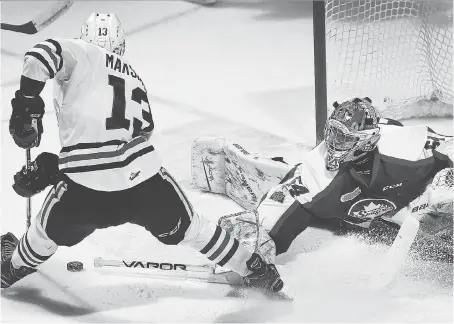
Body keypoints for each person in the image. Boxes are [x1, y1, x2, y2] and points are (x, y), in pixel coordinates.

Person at [1, 12, 283, 293]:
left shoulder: (83, 52)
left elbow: (40, 54)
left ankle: (12, 265)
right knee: (193, 228)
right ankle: (255, 269)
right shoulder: (134, 77)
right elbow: (137, 136)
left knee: (43, 233)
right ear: (121, 46)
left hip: (84, 190)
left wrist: (27, 103)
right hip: (143, 182)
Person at [191, 97, 453, 259]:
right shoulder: (315, 172)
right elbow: (284, 203)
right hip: (364, 217)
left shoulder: (406, 145)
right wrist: (254, 241)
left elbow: (448, 148)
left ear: (368, 140)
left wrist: (446, 181)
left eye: (345, 139)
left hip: (413, 201)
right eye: (333, 135)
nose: (334, 145)